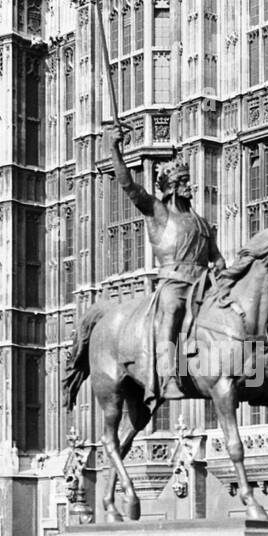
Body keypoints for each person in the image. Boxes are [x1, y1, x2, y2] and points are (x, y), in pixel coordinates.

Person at [110, 122, 226, 403]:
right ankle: (167, 376)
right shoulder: (159, 213)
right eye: (184, 182)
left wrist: (224, 272)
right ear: (172, 188)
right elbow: (128, 185)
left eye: (188, 181)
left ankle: (252, 372)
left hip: (203, 286)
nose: (190, 187)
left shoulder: (201, 223)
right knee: (172, 309)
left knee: (237, 314)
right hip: (174, 284)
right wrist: (113, 148)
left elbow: (217, 257)